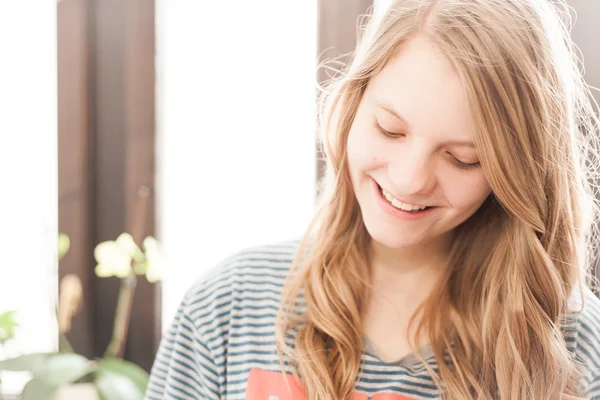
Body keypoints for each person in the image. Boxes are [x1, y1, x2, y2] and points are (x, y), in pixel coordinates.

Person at [145, 0, 600, 398]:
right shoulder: (228, 306)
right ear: (351, 106)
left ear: (516, 173)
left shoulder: (572, 343)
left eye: (463, 159)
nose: (409, 180)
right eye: (390, 129)